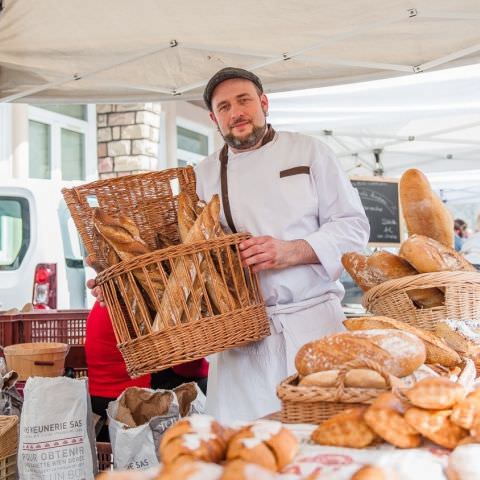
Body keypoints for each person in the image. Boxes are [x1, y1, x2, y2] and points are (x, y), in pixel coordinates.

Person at [89, 67, 370, 423]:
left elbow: (353, 227)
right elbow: (178, 257)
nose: (236, 113)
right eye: (224, 107)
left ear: (263, 103)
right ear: (214, 119)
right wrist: (119, 283)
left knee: (320, 442)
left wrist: (290, 250)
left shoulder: (310, 152)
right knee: (244, 448)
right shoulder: (202, 174)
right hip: (240, 342)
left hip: (313, 326)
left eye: (244, 101)